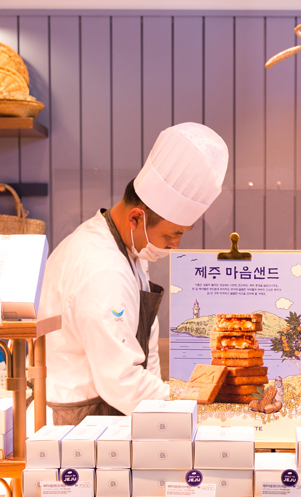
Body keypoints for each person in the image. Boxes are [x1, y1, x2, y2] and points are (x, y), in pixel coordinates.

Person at [40, 122, 229, 425]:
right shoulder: (102, 269)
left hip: (113, 409)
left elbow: (144, 352)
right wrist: (187, 402)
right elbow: (121, 380)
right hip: (84, 418)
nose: (175, 244)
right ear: (136, 218)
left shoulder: (125, 250)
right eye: (173, 234)